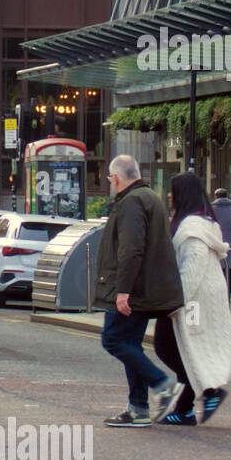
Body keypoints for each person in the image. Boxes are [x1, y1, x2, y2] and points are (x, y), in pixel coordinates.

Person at [95, 154, 185, 428]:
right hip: (146, 287)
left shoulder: (131, 201)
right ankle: (138, 409)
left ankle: (162, 383)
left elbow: (131, 248)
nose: (111, 183)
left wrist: (122, 291)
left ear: (117, 178)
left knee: (113, 340)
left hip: (133, 289)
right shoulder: (150, 197)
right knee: (130, 344)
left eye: (111, 178)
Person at [151, 174, 231, 425]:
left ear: (183, 193)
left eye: (172, 190)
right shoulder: (201, 221)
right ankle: (191, 403)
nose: (168, 195)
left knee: (169, 346)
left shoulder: (192, 227)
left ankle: (204, 394)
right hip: (201, 297)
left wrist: (175, 302)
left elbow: (192, 268)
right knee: (182, 348)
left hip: (193, 299)